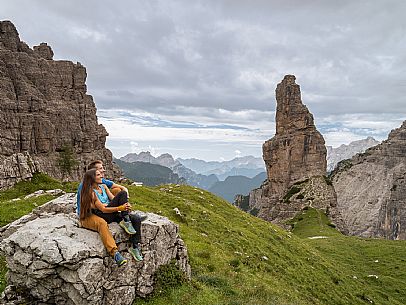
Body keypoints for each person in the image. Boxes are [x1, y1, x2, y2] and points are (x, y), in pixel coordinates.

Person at [79, 168, 145, 265]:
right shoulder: (91, 193)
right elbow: (103, 209)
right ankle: (116, 252)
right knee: (122, 193)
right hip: (102, 214)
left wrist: (125, 206)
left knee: (136, 219)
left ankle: (135, 247)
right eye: (98, 175)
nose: (102, 175)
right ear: (92, 178)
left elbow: (114, 199)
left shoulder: (104, 186)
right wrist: (120, 207)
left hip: (110, 211)